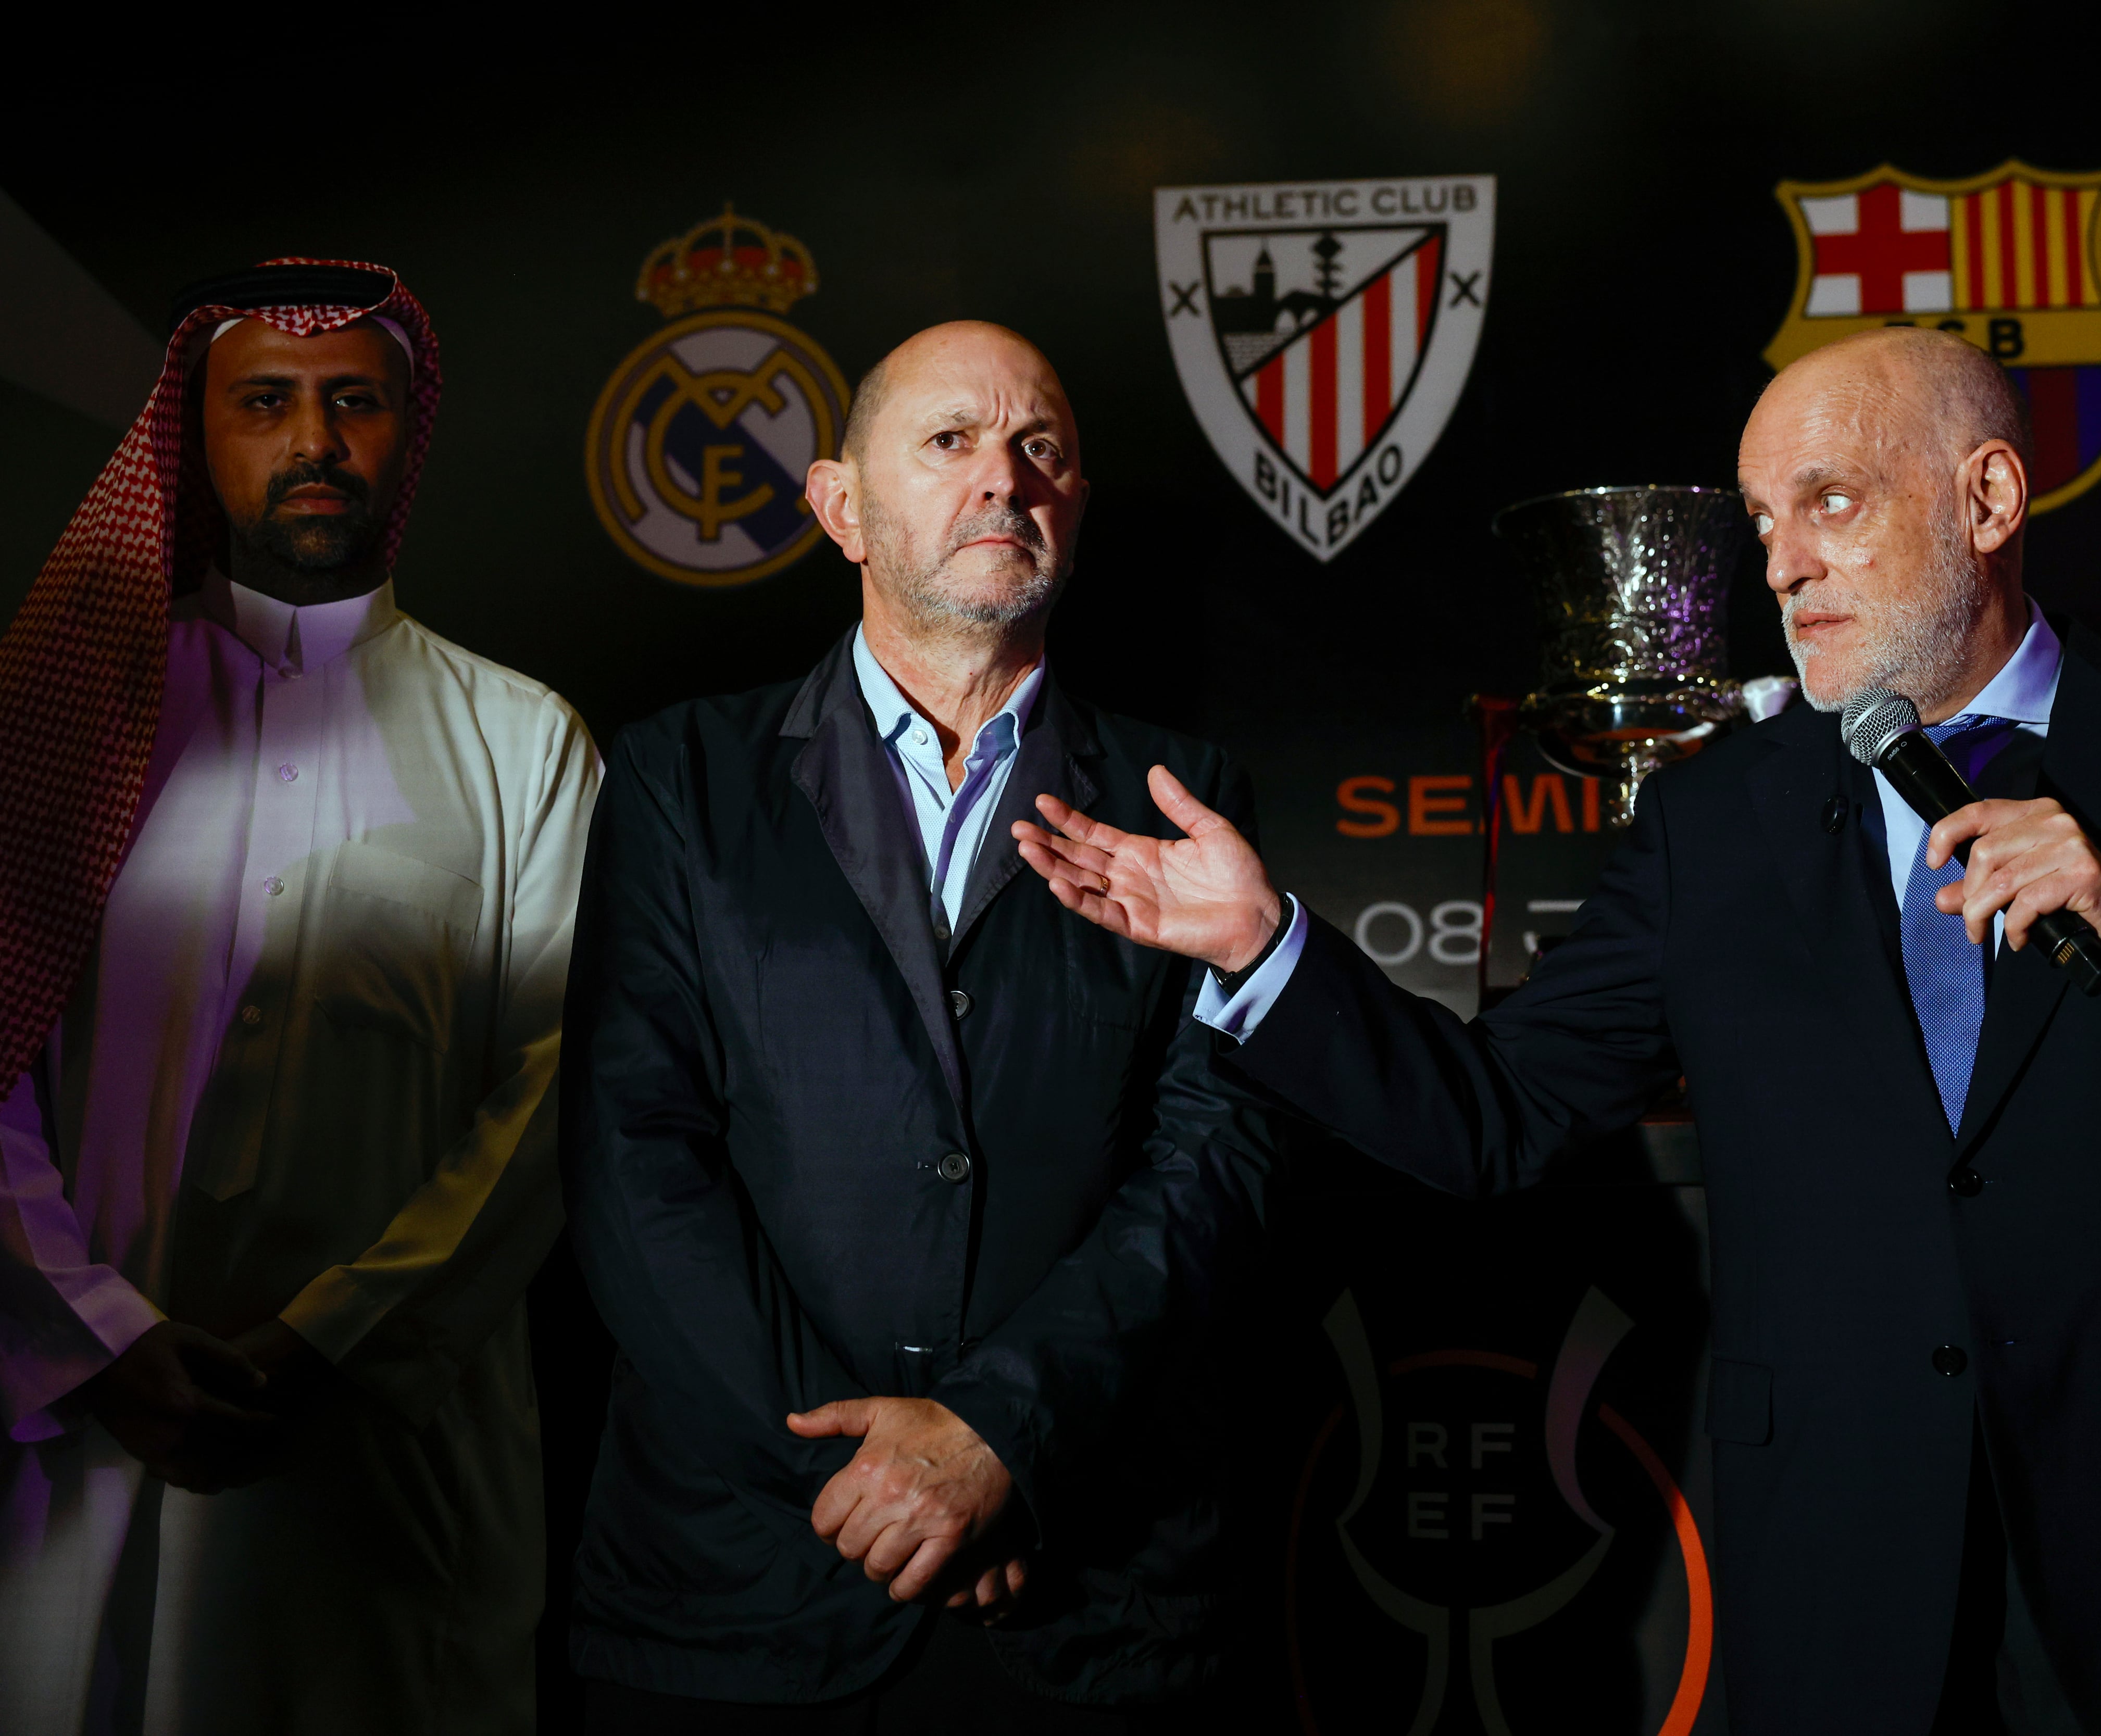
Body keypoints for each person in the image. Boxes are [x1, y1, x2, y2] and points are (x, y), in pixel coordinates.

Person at [1014, 326, 2101, 1733]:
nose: (1780, 564)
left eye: (1830, 502)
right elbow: (1495, 1117)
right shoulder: (1716, 820)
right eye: (1765, 521)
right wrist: (1265, 948)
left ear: (1986, 500)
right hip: (1846, 1585)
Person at [561, 320, 1279, 1734]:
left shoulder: (1186, 796)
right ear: (842, 508)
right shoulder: (677, 781)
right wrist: (877, 1484)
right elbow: (633, 1164)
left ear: (1076, 505)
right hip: (742, 1600)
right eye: (950, 441)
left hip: (1087, 1597)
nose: (1005, 478)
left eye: (1040, 447)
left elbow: (1216, 1162)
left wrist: (1003, 1438)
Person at [0, 260, 599, 1734]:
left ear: (407, 431)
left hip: (384, 1469)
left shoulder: (523, 742)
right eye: (265, 403)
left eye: (354, 404)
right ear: (196, 436)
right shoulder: (62, 720)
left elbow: (556, 1100)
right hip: (80, 1444)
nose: (315, 442)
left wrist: (334, 1337)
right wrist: (96, 1334)